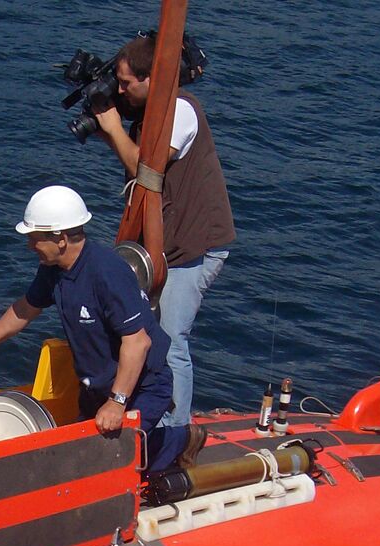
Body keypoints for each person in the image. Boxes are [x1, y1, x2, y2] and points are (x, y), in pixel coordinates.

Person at [0, 185, 204, 475]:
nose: (30, 246)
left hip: (140, 387)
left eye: (34, 238)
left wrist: (117, 402)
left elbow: (138, 343)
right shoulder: (53, 270)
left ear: (60, 239)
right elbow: (25, 309)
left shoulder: (107, 273)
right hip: (96, 387)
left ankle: (181, 440)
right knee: (77, 457)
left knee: (110, 460)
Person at [93, 33, 236, 426]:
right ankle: (151, 414)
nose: (120, 91)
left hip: (193, 248)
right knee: (144, 334)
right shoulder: (151, 115)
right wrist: (111, 132)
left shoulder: (181, 112)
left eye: (127, 84)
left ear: (151, 79)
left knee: (170, 341)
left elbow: (146, 169)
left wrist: (113, 127)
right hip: (163, 247)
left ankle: (175, 431)